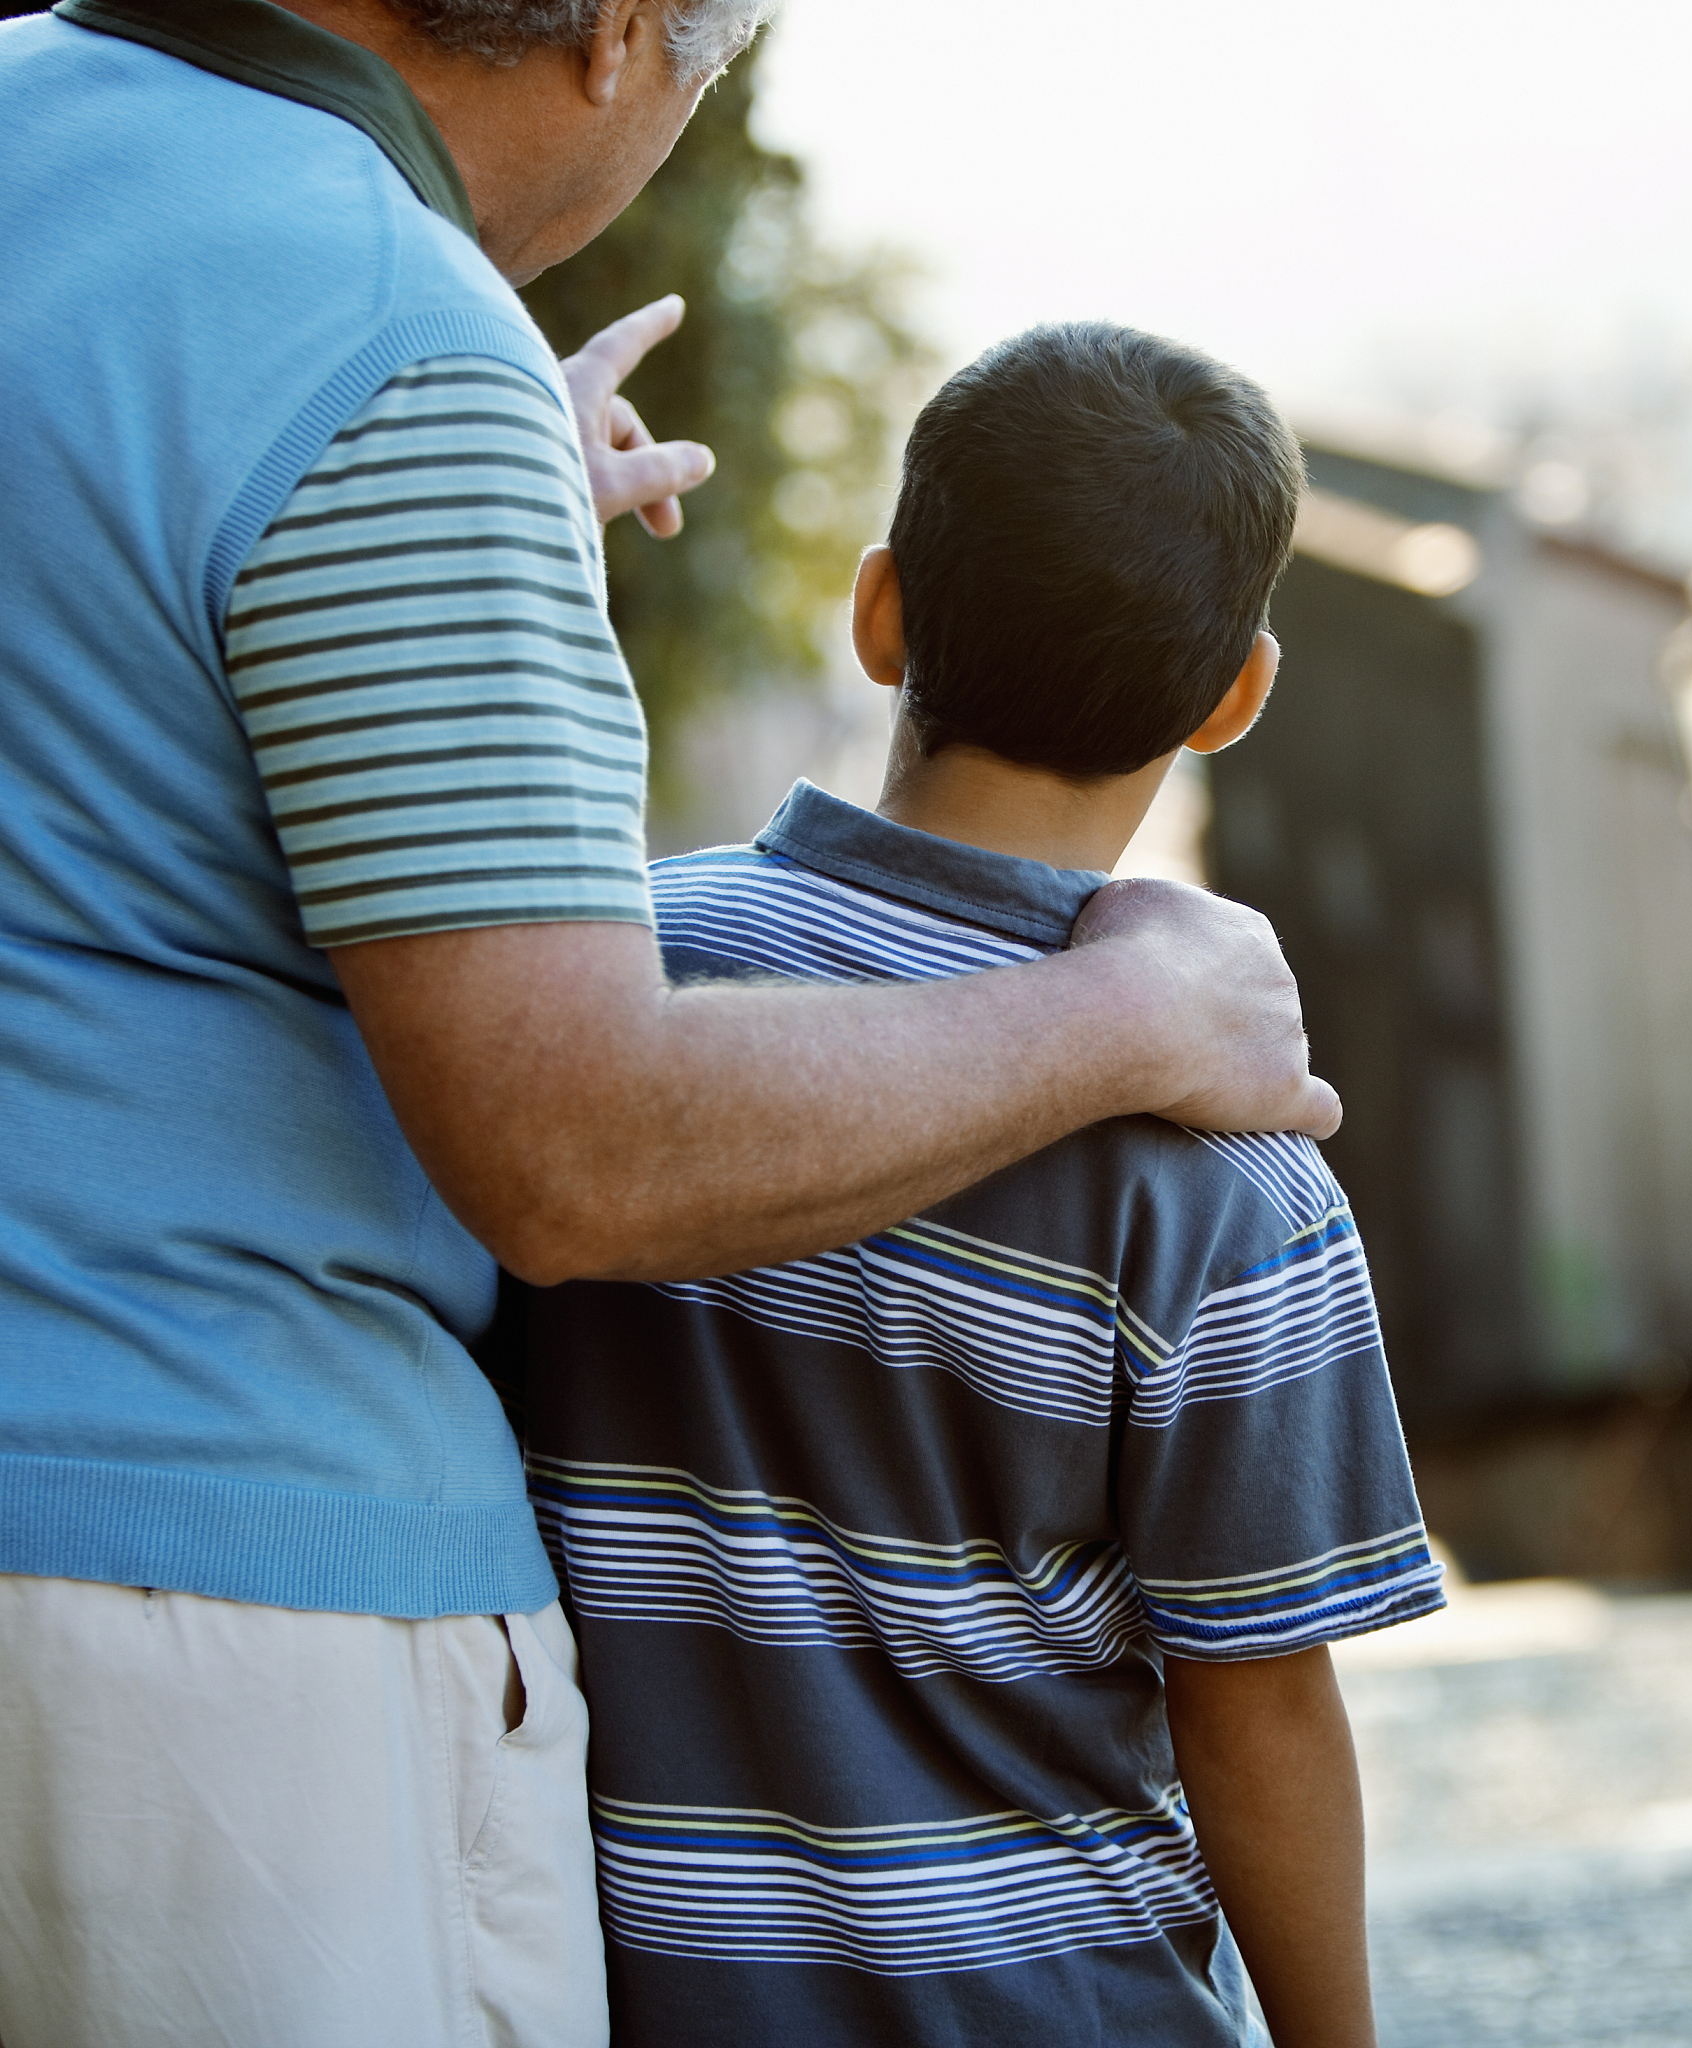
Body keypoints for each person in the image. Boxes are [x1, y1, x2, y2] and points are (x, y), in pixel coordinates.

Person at [0, 6, 1340, 2045]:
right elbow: (576, 1145)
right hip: (224, 1597)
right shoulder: (372, 309)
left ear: (878, 611)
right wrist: (1113, 1016)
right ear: (623, 32)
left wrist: (453, 522)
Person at [521, 324, 1444, 2048]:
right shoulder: (1229, 1163)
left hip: (644, 1996)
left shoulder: (605, 996)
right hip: (1066, 2001)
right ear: (1232, 696)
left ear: (879, 614)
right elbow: (1259, 1713)